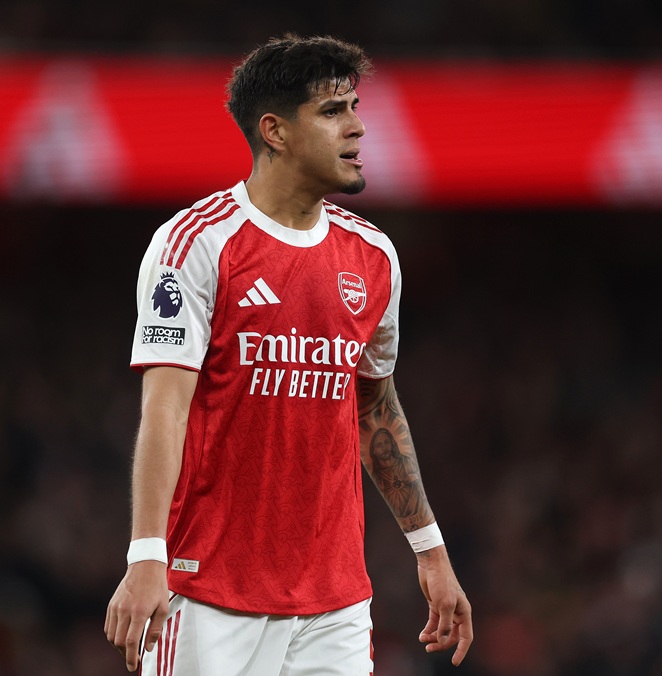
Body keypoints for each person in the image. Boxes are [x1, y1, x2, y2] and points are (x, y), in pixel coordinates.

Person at [104, 34, 473, 674]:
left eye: (356, 107)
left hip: (334, 603)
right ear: (273, 131)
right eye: (333, 112)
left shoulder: (373, 256)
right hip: (206, 592)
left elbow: (375, 405)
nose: (358, 127)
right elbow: (164, 409)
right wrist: (145, 555)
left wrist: (430, 550)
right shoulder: (195, 244)